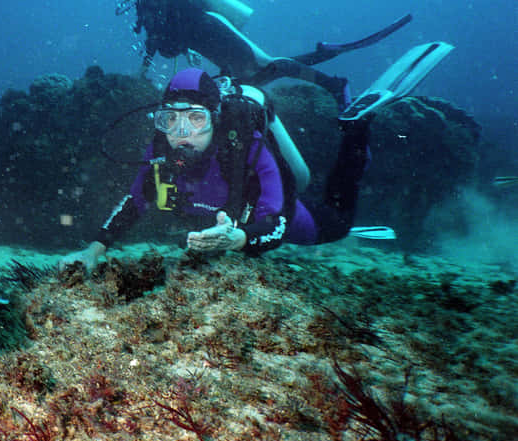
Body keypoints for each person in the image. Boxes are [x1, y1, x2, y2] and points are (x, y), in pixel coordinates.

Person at [60, 41, 453, 271]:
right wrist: (93, 250)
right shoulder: (160, 152)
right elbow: (133, 202)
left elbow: (278, 218)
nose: (181, 133)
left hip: (281, 216)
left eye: (195, 119)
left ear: (215, 118)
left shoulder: (245, 147)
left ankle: (355, 127)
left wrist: (239, 240)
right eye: (170, 119)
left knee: (336, 221)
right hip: (229, 222)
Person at [116, 0, 412, 113]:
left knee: (268, 65)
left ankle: (335, 84)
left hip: (212, 29)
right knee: (247, 81)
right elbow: (161, 41)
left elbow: (157, 42)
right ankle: (324, 59)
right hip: (207, 40)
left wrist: (141, 74)